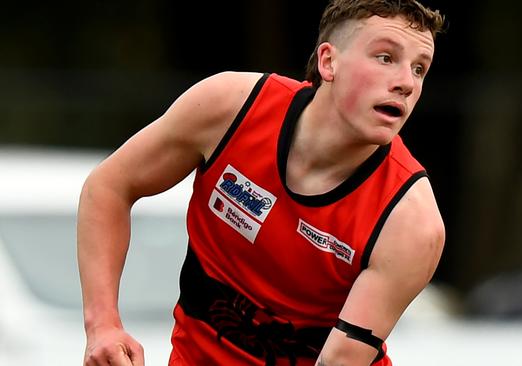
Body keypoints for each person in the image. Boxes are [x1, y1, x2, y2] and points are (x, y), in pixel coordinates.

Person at [77, 0, 446, 365]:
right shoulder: (230, 108)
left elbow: (339, 361)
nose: (406, 83)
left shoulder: (412, 220)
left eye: (419, 69)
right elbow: (108, 187)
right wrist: (103, 326)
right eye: (385, 58)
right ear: (328, 62)